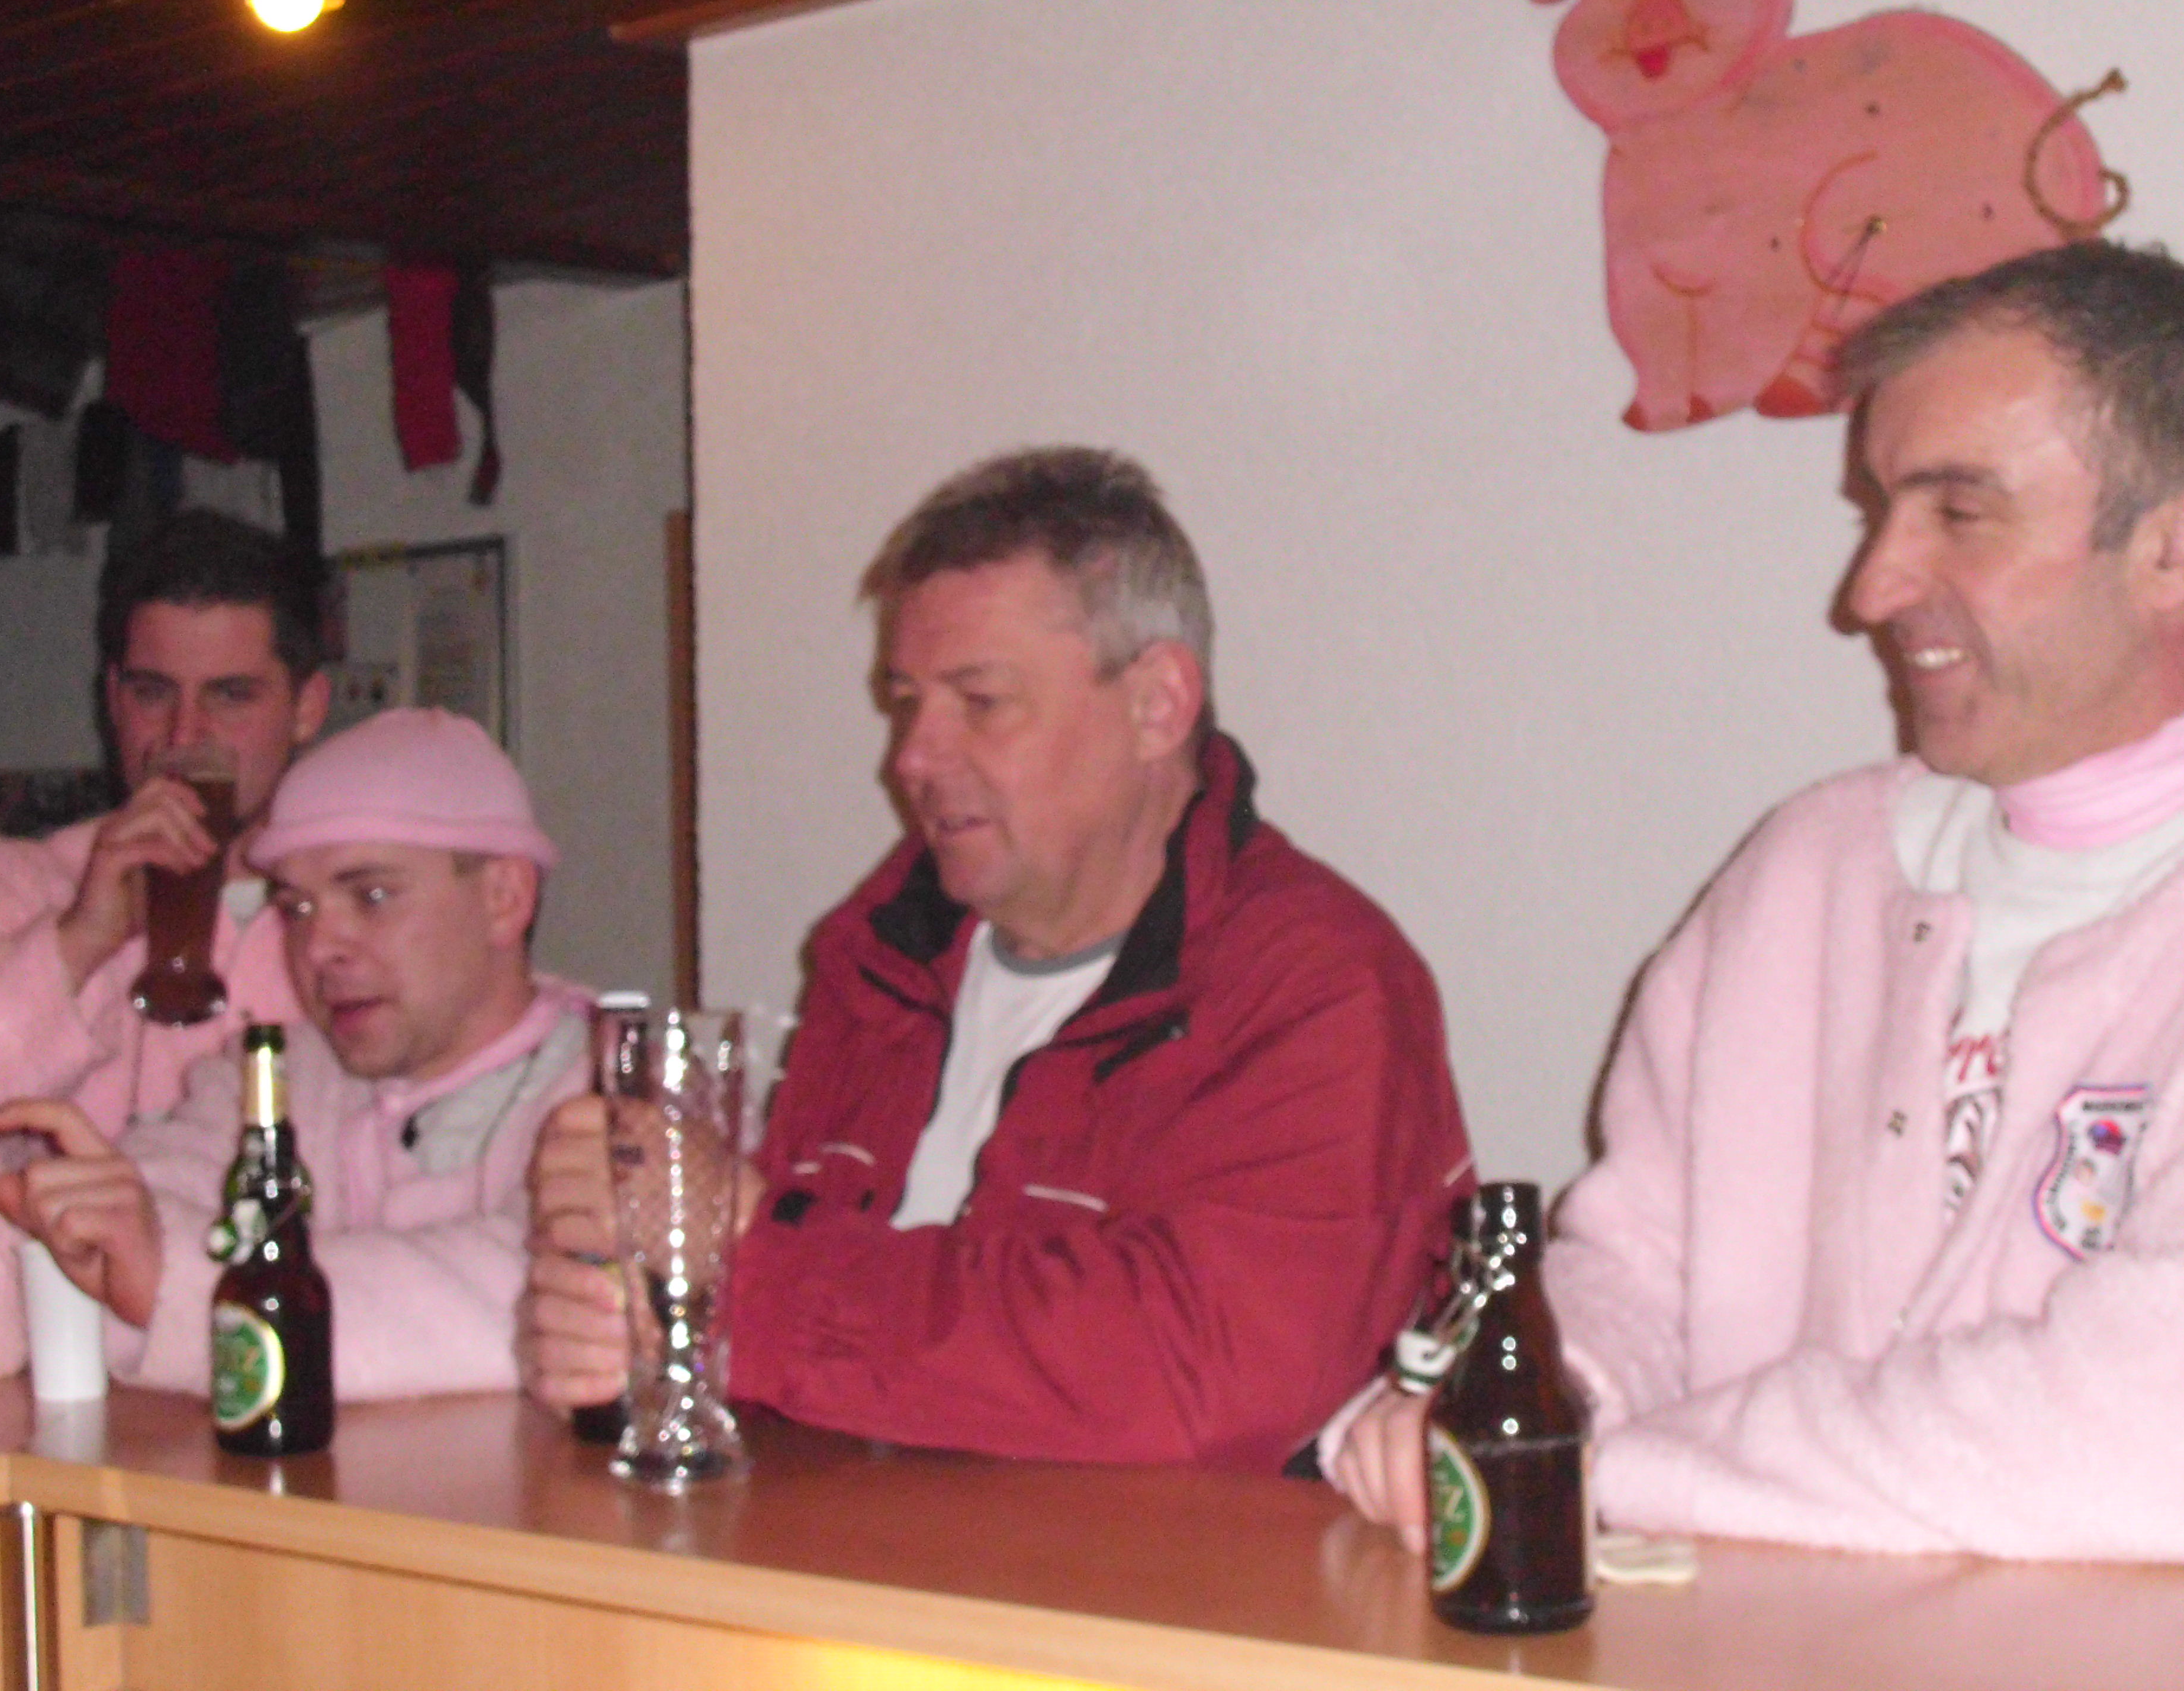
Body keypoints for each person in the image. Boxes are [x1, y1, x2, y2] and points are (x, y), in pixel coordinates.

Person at [1332, 242, 2184, 1570]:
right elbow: (1636, 1269)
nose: (1870, 589)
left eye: (1958, 513)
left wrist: (1587, 1468)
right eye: (1880, 512)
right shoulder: (1810, 868)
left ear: (2177, 552)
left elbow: (2182, 1454)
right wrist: (1533, 1394)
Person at [521, 446, 1474, 1469]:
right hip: (846, 1561)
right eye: (905, 703)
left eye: (980, 702)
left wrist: (742, 1276)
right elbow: (805, 1340)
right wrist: (638, 1328)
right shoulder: (876, 962)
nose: (912, 759)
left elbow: (1198, 1373)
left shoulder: (1317, 985)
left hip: (1153, 1574)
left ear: (1158, 705)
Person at [0, 708, 590, 1399]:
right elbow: (152, 1203)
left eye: (372, 896)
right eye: (297, 909)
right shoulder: (277, 1077)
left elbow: (533, 1297)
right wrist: (106, 1224)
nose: (319, 948)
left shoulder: (609, 1090)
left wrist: (173, 1281)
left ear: (505, 899)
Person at [0, 509, 329, 1382]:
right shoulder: (19, 884)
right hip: (42, 1386)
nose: (184, 738)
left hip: (281, 1374)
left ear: (307, 707)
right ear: (112, 697)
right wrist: (80, 940)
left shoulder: (351, 917)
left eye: (231, 696)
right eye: (154, 692)